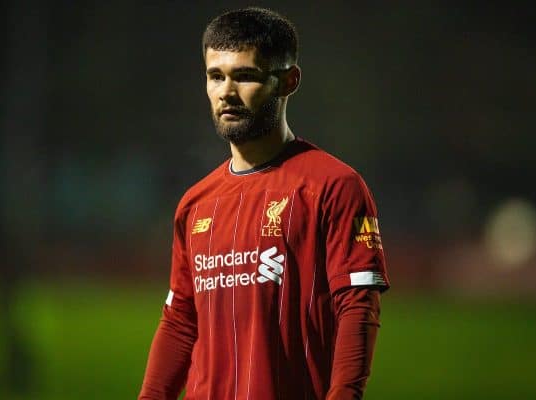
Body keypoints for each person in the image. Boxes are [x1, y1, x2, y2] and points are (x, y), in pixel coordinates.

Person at [138, 7, 390, 400]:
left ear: (289, 81)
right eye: (215, 76)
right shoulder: (195, 204)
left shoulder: (334, 186)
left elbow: (358, 306)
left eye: (246, 76)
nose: (226, 91)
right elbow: (181, 321)